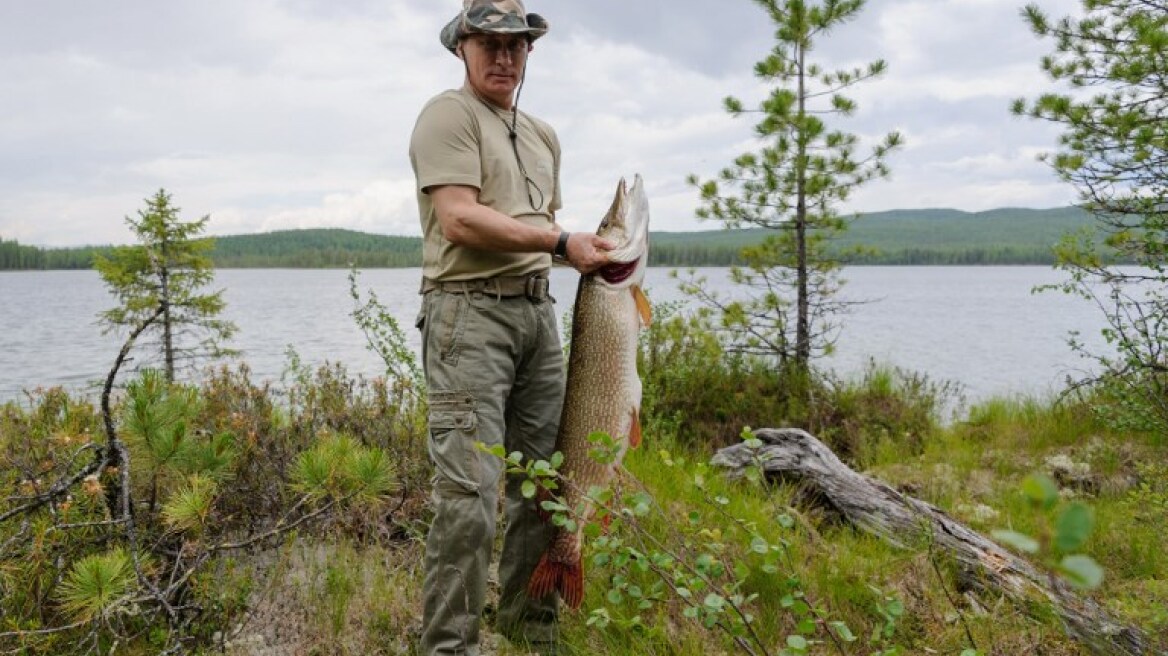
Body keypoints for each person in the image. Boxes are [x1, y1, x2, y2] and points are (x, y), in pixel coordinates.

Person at [408, 1, 612, 654]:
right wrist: (560, 241)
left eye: (515, 46)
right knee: (469, 499)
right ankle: (450, 647)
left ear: (529, 54)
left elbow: (540, 228)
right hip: (467, 316)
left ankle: (531, 633)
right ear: (461, 47)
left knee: (546, 489)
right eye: (488, 43)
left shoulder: (544, 135)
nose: (503, 57)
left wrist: (573, 251)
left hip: (538, 317)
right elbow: (461, 219)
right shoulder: (448, 115)